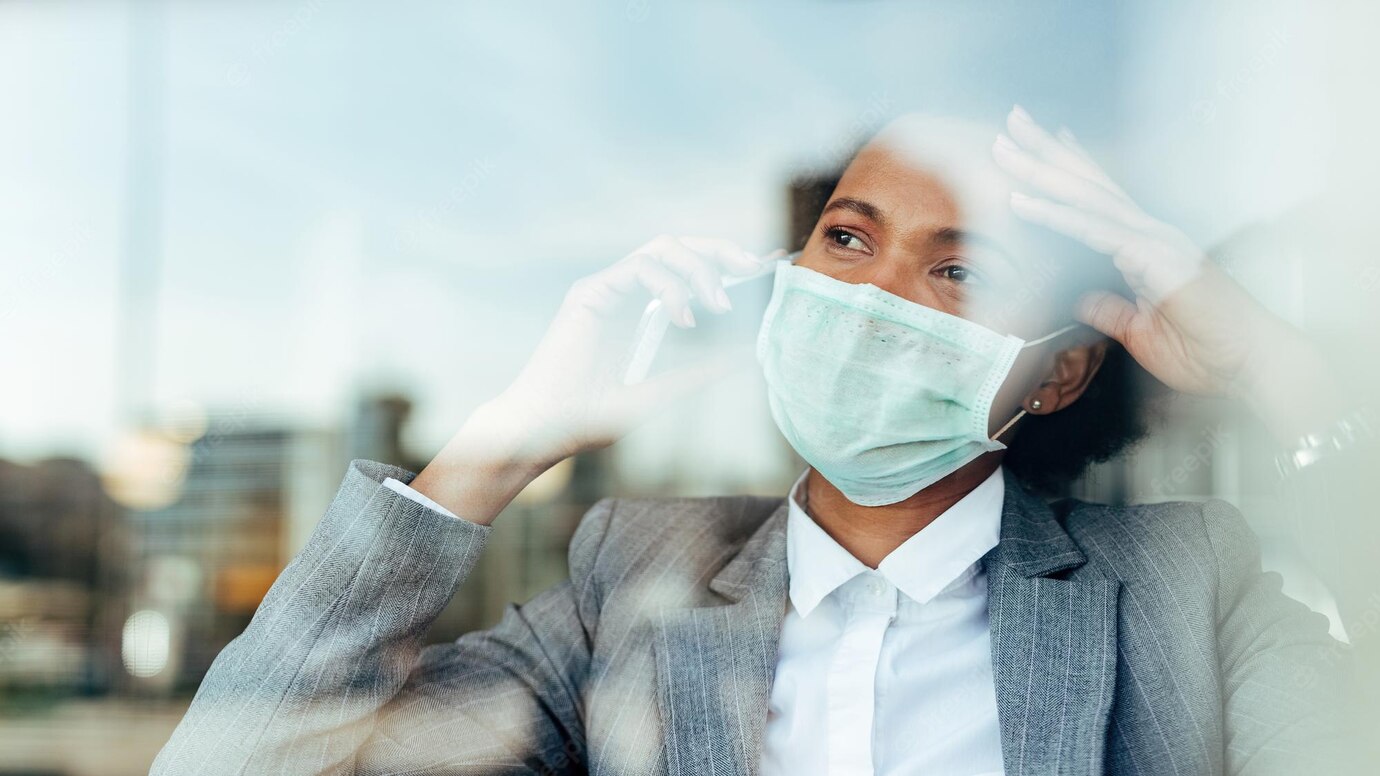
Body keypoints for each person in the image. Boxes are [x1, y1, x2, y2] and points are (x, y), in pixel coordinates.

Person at [151, 107, 1366, 775]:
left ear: (1055, 375)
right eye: (848, 239)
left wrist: (1287, 379)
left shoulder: (1182, 584)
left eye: (957, 269)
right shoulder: (629, 582)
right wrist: (503, 444)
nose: (880, 295)